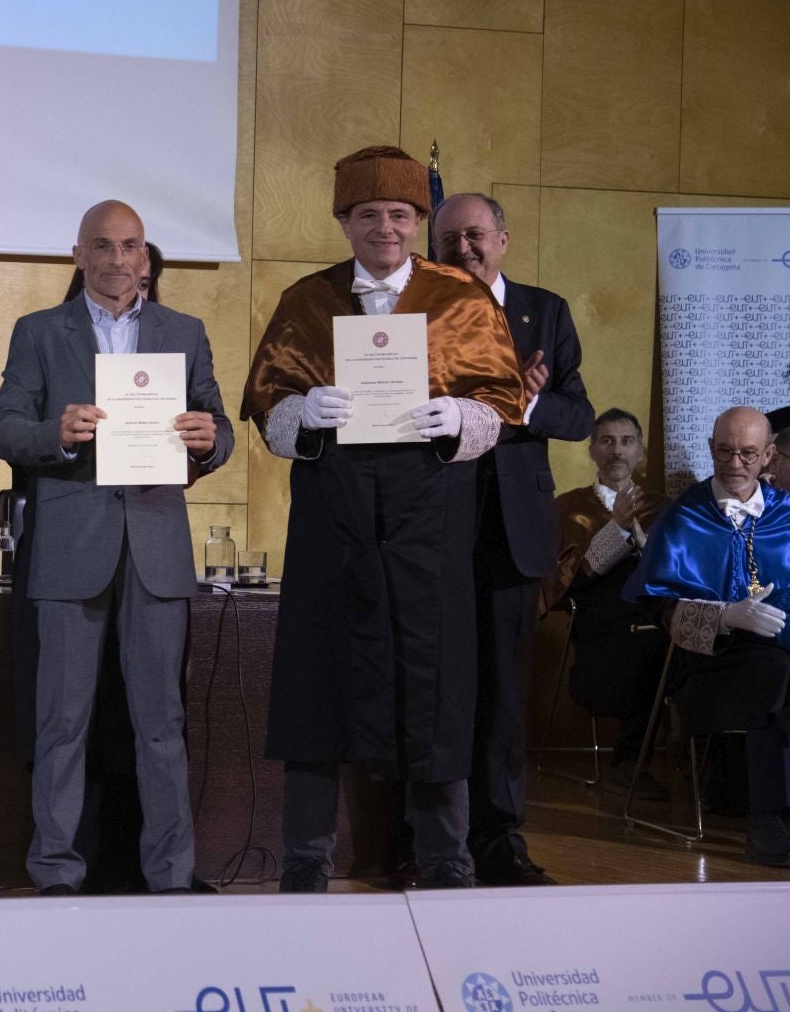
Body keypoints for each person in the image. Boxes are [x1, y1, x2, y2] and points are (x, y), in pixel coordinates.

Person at [241, 145, 525, 892]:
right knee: (316, 686)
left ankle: (446, 861)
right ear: (344, 221)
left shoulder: (463, 300)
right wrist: (305, 412)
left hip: (428, 527)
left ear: (418, 219)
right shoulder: (308, 299)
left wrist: (458, 414)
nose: (386, 229)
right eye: (369, 215)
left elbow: (502, 406)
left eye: (401, 215)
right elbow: (267, 409)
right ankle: (306, 862)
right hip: (333, 527)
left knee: (435, 688)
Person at [0, 199, 233, 895]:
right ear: (79, 255)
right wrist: (56, 433)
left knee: (162, 722)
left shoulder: (182, 331)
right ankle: (56, 872)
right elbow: (7, 427)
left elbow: (219, 426)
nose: (120, 260)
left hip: (155, 543)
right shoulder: (39, 332)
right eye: (104, 246)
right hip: (71, 542)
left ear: (147, 256)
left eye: (132, 246)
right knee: (61, 721)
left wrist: (208, 440)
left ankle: (172, 874)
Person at [432, 192, 594, 886]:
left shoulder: (545, 310)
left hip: (512, 532)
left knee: (502, 694)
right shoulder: (417, 308)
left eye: (475, 235)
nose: (462, 249)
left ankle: (500, 841)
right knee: (439, 689)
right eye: (448, 240)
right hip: (433, 525)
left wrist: (522, 402)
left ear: (502, 239)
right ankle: (433, 838)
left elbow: (579, 414)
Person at [626, 405, 790, 867]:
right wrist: (726, 617)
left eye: (748, 454)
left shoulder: (787, 515)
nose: (735, 464)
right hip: (705, 668)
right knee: (773, 673)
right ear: (710, 449)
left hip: (778, 656)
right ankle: (766, 821)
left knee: (779, 671)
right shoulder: (684, 517)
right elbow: (661, 611)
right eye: (724, 452)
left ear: (769, 456)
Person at [541, 408, 669, 795]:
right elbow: (571, 579)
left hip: (658, 609)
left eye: (627, 441)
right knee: (649, 643)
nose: (617, 450)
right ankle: (629, 763)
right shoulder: (569, 508)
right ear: (592, 450)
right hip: (601, 619)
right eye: (607, 441)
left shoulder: (664, 508)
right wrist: (617, 528)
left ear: (641, 452)